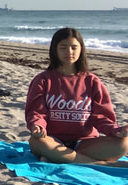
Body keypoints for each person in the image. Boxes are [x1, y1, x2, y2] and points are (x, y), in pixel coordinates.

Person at [26, 27, 128, 164]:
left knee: (123, 144)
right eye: (63, 47)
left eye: (74, 47)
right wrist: (37, 126)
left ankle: (58, 158)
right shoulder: (43, 80)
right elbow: (36, 112)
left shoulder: (92, 81)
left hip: (85, 142)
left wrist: (116, 131)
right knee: (36, 142)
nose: (69, 52)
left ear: (81, 49)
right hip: (52, 140)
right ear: (54, 50)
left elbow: (101, 117)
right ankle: (98, 164)